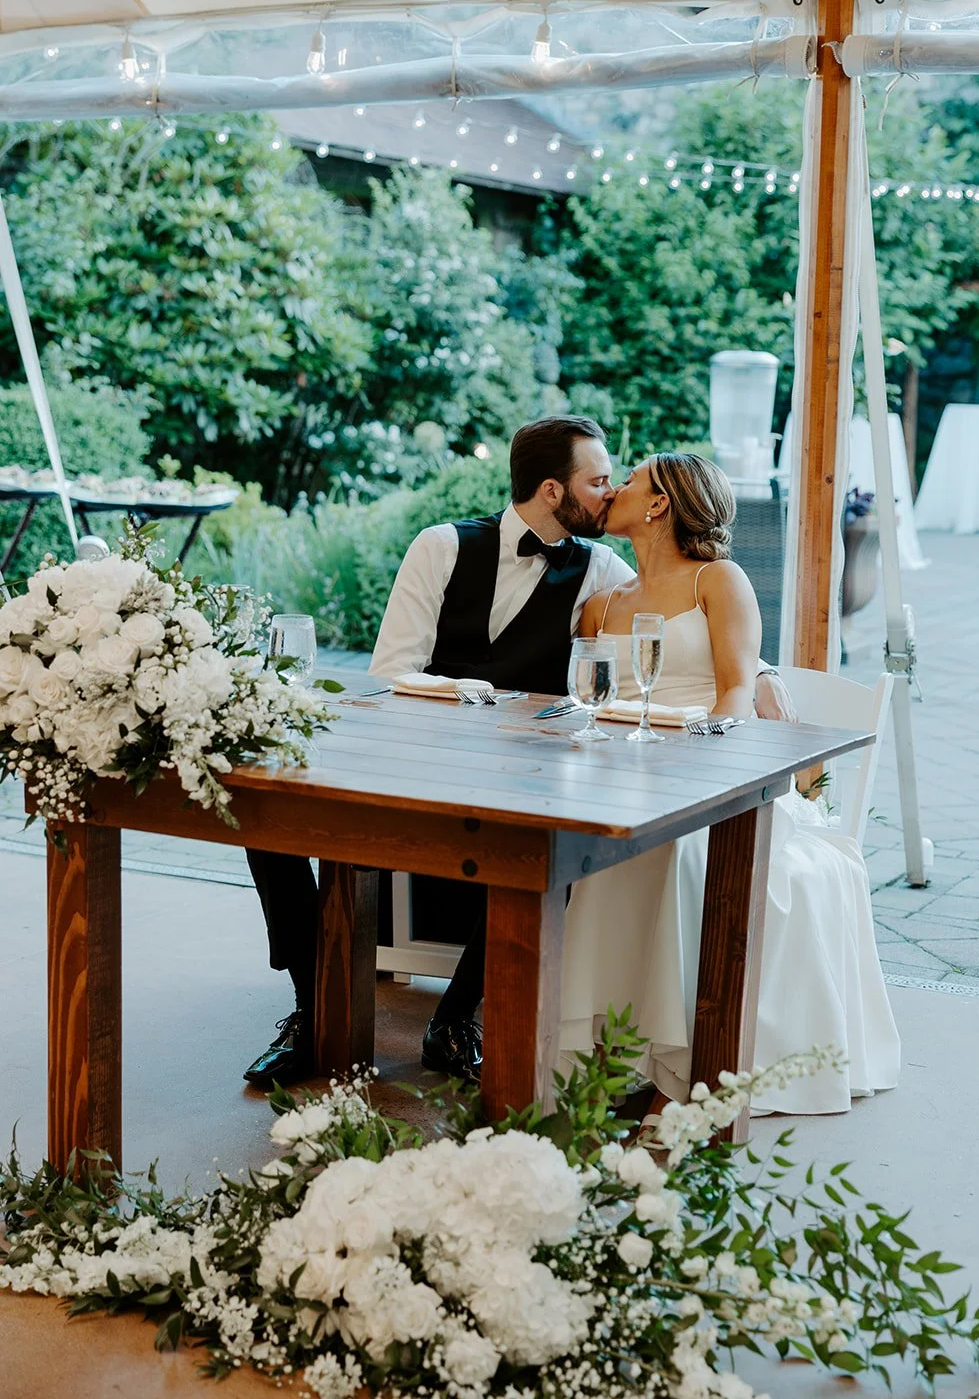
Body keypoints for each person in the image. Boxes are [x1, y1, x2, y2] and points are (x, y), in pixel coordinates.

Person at [243, 420, 792, 1090]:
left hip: (518, 774)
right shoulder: (440, 546)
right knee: (264, 813)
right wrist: (473, 699)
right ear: (551, 488)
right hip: (412, 753)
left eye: (617, 480)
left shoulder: (600, 569)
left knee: (547, 827)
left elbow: (681, 628)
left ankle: (456, 1019)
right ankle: (311, 1005)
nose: (609, 490)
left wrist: (763, 676)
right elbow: (390, 672)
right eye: (597, 480)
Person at [558, 452, 901, 1116]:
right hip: (626, 775)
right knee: (599, 848)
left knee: (677, 848)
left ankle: (678, 1074)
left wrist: (700, 773)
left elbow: (738, 689)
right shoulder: (600, 605)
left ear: (658, 504)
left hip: (719, 770)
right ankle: (611, 1057)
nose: (615, 489)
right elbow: (586, 701)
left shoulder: (719, 581)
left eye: (627, 481)